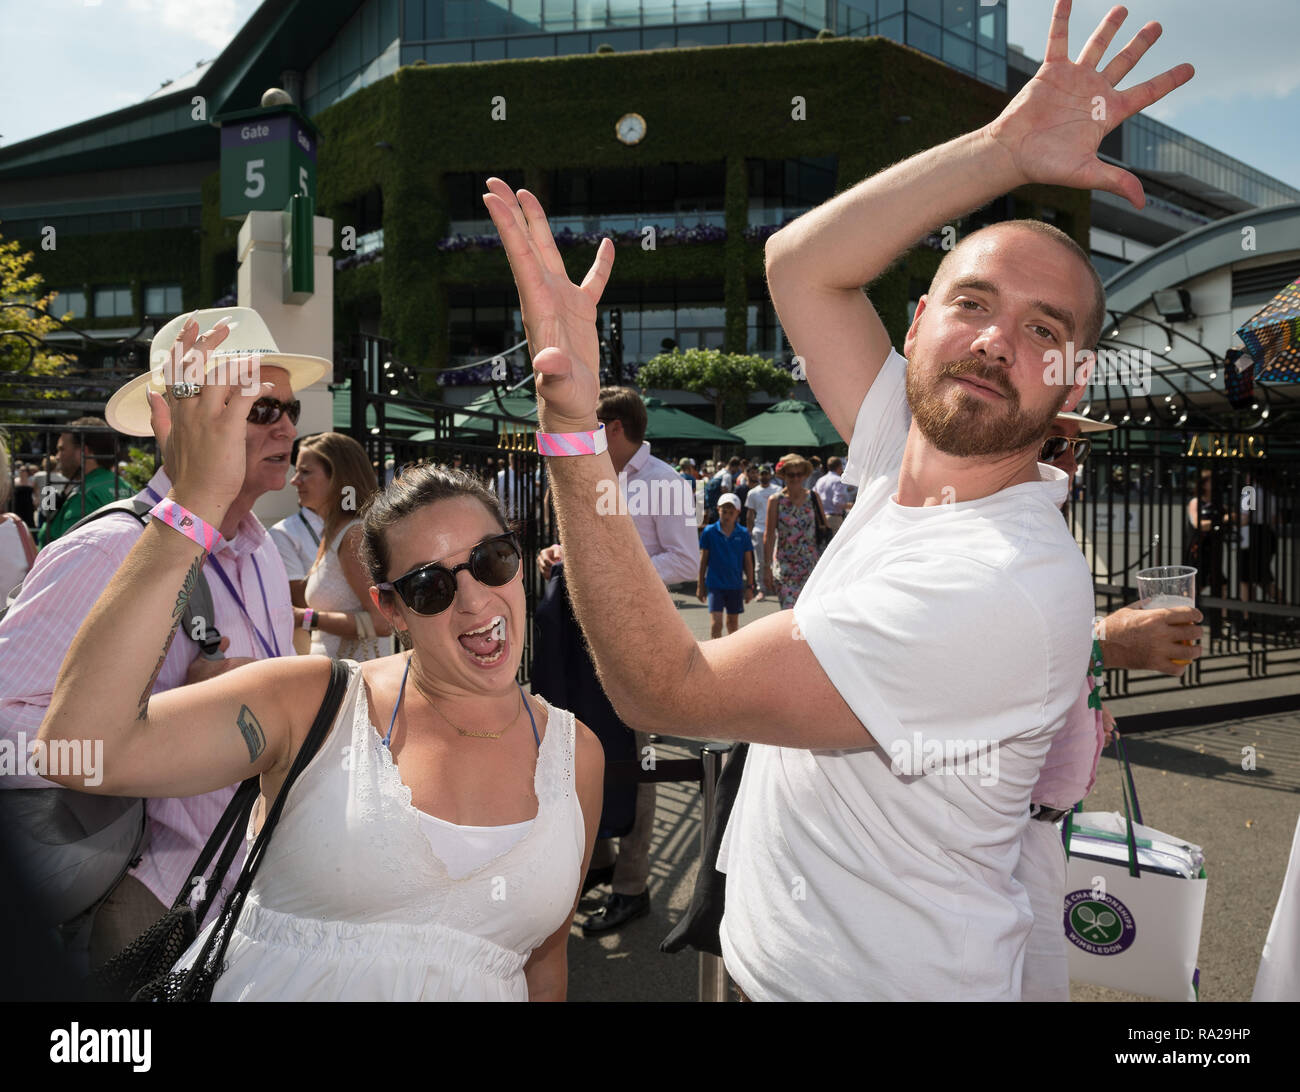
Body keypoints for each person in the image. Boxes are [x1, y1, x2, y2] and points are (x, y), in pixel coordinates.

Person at [481, 0, 1192, 999]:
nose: (993, 339)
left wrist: (569, 433)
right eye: (972, 303)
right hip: (770, 958)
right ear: (916, 329)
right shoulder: (904, 435)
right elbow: (801, 266)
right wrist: (1003, 148)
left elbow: (667, 688)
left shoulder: (1008, 584)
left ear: (1071, 385)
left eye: (1041, 329)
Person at [38, 317, 603, 1001]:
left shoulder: (577, 756)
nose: (474, 599)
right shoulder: (316, 702)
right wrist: (190, 505)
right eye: (429, 586)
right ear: (389, 609)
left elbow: (544, 965)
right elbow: (78, 747)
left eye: (492, 560)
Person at [0, 308, 320, 969]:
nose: (287, 426)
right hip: (156, 902)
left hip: (254, 893)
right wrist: (154, 718)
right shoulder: (107, 550)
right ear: (183, 420)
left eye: (290, 408)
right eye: (259, 408)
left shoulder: (258, 551)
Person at [535, 386, 697, 935]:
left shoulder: (664, 482)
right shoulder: (600, 476)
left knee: (636, 760)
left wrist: (610, 572)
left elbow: (684, 560)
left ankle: (633, 887)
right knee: (586, 746)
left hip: (639, 640)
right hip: (586, 640)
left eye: (591, 428)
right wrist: (559, 553)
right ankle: (602, 863)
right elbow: (584, 548)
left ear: (615, 427)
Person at [292, 432, 392, 661]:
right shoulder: (337, 532)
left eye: (305, 472)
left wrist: (305, 617)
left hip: (352, 681)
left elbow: (383, 623)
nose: (294, 480)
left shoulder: (353, 535)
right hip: (335, 678)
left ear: (338, 478)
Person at [36, 417, 129, 547]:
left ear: (84, 451)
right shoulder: (127, 487)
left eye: (62, 449)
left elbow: (67, 553)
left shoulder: (84, 497)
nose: (57, 456)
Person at [762, 452, 823, 609]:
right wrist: (767, 567)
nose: (796, 478)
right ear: (783, 476)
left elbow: (824, 529)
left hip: (811, 567)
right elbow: (769, 536)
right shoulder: (776, 501)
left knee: (809, 614)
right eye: (791, 475)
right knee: (789, 613)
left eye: (799, 474)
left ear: (804, 476)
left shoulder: (814, 498)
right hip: (786, 567)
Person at [697, 494, 755, 639]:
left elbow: (748, 563)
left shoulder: (743, 534)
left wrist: (750, 586)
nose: (727, 515)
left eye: (731, 512)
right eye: (724, 511)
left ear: (738, 513)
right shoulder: (709, 532)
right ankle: (715, 654)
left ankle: (731, 656)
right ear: (718, 510)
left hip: (735, 585)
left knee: (732, 624)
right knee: (716, 623)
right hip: (715, 584)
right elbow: (703, 561)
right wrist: (700, 586)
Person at [743, 465, 778, 601]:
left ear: (770, 475)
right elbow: (750, 515)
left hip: (774, 530)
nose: (764, 476)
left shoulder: (777, 490)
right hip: (759, 530)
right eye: (762, 474)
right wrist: (749, 531)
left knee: (775, 560)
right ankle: (761, 589)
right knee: (760, 562)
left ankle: (774, 586)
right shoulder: (753, 493)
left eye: (766, 474)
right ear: (758, 475)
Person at [813, 455, 849, 531]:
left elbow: (814, 497)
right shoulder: (838, 480)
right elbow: (837, 502)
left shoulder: (820, 480)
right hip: (834, 518)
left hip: (821, 518)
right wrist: (850, 506)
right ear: (840, 467)